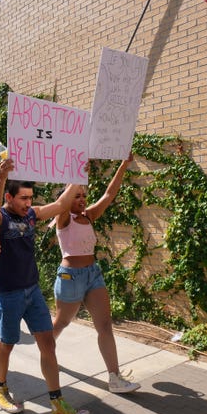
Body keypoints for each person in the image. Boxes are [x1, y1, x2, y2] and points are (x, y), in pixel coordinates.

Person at [0, 158, 88, 414]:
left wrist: (78, 175)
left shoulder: (31, 214)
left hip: (32, 292)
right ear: (9, 196)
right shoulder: (0, 218)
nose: (28, 203)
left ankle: (57, 402)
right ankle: (0, 388)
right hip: (7, 293)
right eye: (22, 198)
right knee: (7, 344)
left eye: (30, 198)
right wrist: (1, 177)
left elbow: (60, 205)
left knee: (48, 344)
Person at [52, 153, 140, 394]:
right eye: (76, 196)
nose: (81, 199)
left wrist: (123, 164)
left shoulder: (89, 215)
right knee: (61, 322)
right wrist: (77, 174)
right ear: (67, 198)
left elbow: (109, 194)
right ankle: (46, 351)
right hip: (70, 277)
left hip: (93, 275)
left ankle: (114, 377)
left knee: (105, 325)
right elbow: (63, 202)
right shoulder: (63, 218)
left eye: (83, 195)